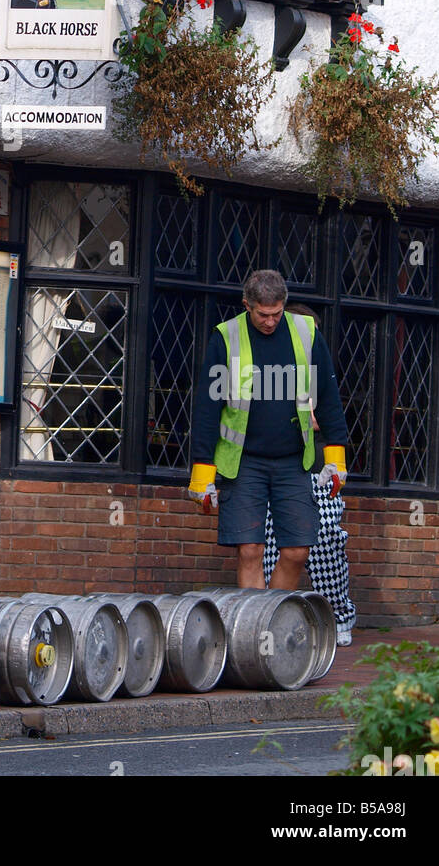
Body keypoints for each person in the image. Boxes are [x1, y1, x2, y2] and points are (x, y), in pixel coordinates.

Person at [187, 269, 348, 591]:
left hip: (293, 460)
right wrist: (202, 472)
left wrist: (336, 459)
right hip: (243, 462)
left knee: (298, 550)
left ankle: (271, 620)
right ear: (247, 305)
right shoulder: (226, 336)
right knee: (250, 549)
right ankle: (253, 631)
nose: (270, 321)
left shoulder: (306, 332)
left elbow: (328, 397)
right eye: (263, 314)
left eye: (276, 314)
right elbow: (207, 408)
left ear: (284, 305)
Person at [262, 304, 356, 643]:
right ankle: (268, 622)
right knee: (273, 546)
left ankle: (338, 618)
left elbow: (331, 418)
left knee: (327, 542)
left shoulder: (321, 369)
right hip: (278, 468)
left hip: (318, 469)